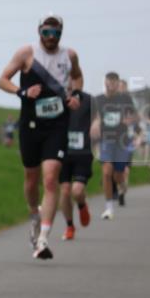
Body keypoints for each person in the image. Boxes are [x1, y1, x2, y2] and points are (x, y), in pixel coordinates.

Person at [0, 14, 83, 259]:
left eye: (55, 33)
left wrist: (75, 94)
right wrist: (22, 91)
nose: (51, 38)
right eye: (46, 33)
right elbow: (2, 80)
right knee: (31, 178)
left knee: (51, 177)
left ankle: (43, 239)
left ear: (61, 34)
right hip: (31, 124)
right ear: (39, 32)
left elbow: (77, 76)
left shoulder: (70, 55)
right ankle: (34, 214)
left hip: (57, 124)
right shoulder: (26, 53)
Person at [91, 72, 138, 219]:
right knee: (106, 172)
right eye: (108, 82)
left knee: (118, 176)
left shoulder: (125, 98)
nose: (111, 85)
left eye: (114, 83)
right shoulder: (98, 100)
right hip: (106, 140)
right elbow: (93, 117)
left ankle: (122, 186)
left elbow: (135, 115)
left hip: (122, 141)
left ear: (118, 84)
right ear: (105, 83)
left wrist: (130, 120)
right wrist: (95, 122)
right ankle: (109, 208)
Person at [58, 87, 93, 240]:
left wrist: (97, 124)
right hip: (61, 151)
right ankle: (70, 226)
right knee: (65, 191)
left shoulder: (88, 100)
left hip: (82, 152)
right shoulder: (55, 98)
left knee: (77, 191)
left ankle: (81, 205)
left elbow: (99, 116)